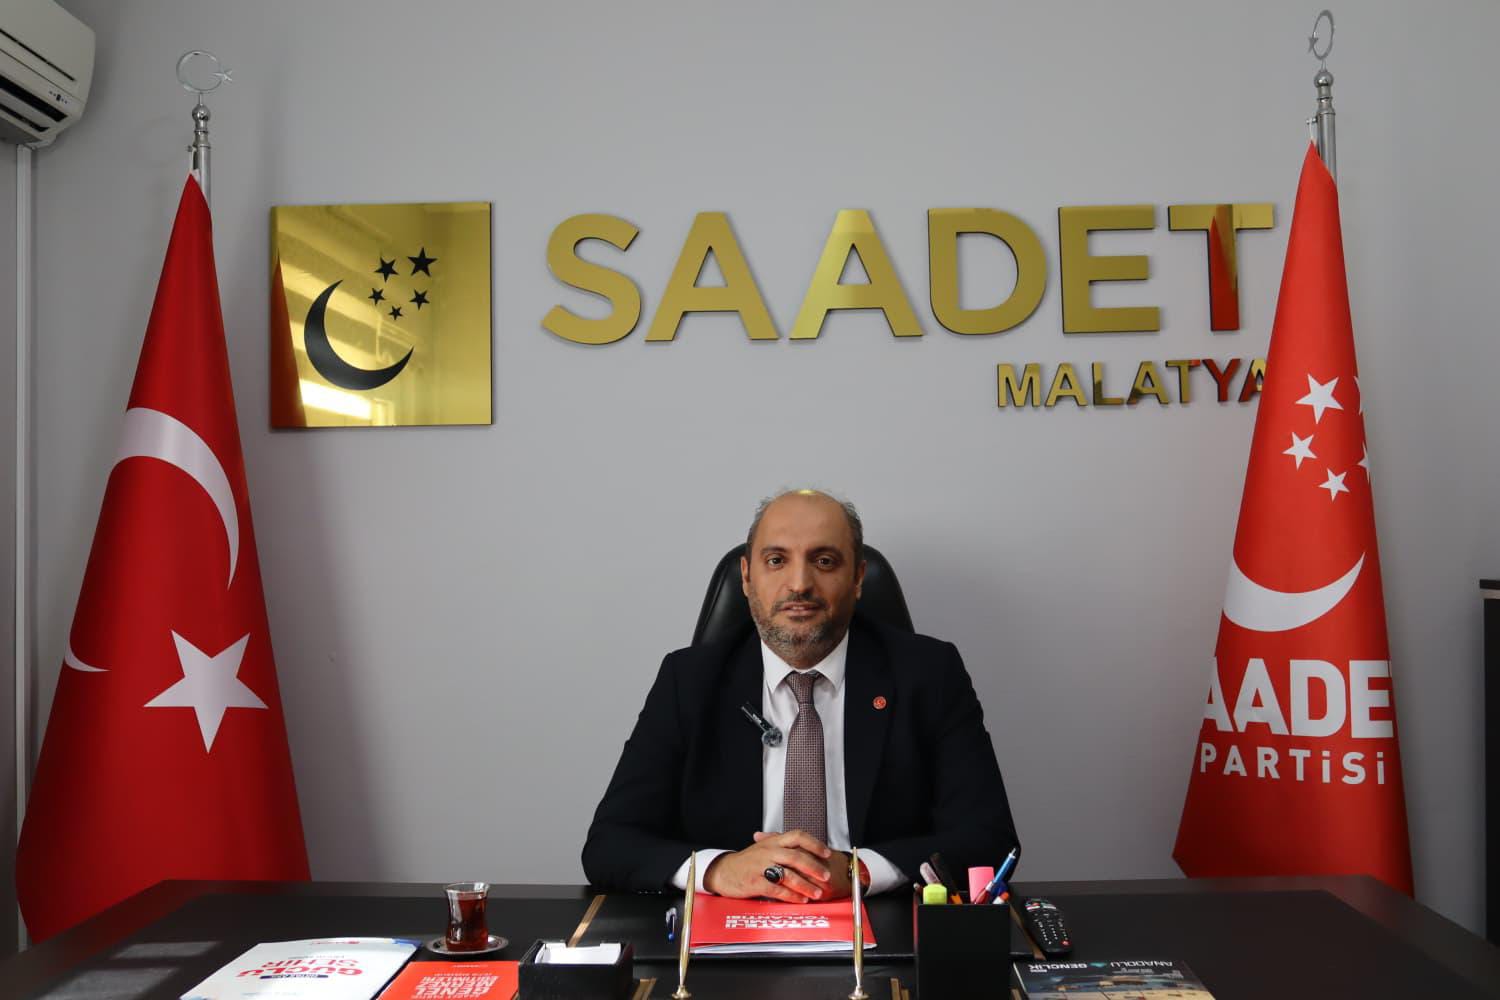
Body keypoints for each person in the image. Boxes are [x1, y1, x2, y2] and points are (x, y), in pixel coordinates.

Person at [582, 489, 1018, 900]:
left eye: (824, 561)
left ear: (858, 578)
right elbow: (609, 844)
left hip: (882, 924)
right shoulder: (690, 680)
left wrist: (860, 872)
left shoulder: (929, 673)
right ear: (747, 577)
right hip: (731, 927)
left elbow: (989, 840)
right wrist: (720, 870)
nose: (799, 583)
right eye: (776, 560)